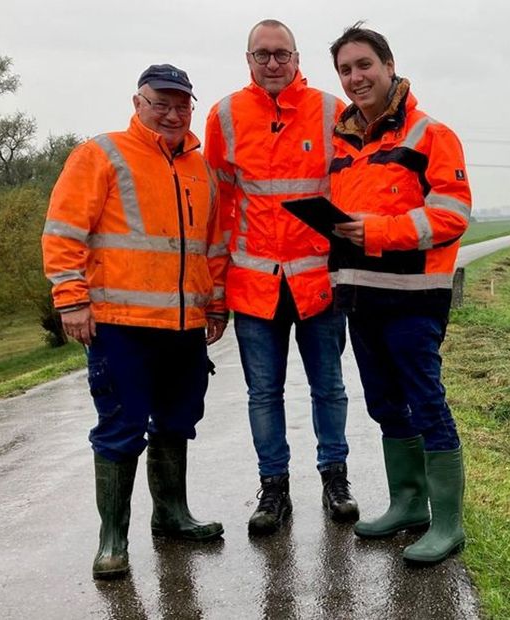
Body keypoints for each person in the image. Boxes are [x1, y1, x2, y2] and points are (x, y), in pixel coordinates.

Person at [42, 64, 228, 580]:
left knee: (177, 420)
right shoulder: (102, 154)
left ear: (192, 107)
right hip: (120, 324)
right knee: (120, 426)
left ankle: (171, 514)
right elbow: (62, 232)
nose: (172, 113)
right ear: (138, 102)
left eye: (181, 104)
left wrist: (215, 301)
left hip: (185, 326)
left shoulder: (200, 168)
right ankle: (112, 539)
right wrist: (71, 299)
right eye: (160, 102)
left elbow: (213, 244)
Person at [204, 19, 357, 534]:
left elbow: (351, 194)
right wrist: (217, 289)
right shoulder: (224, 116)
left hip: (318, 283)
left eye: (282, 54)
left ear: (297, 59)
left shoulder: (332, 112)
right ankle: (274, 490)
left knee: (329, 387)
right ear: (248, 59)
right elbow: (219, 206)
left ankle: (335, 479)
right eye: (262, 55)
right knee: (263, 394)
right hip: (254, 286)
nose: (273, 64)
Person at [327, 23, 472, 564]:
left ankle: (448, 523)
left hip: (414, 299)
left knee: (426, 403)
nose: (355, 77)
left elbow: (452, 216)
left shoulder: (432, 135)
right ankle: (408, 503)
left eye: (364, 65)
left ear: (389, 66)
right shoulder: (343, 143)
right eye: (345, 70)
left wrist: (376, 232)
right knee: (385, 404)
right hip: (360, 300)